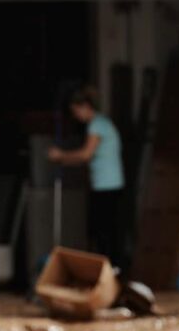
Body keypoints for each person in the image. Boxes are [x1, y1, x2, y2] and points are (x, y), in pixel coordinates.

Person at [48, 87, 125, 266]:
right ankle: (109, 269)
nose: (76, 116)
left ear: (85, 106)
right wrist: (64, 161)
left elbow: (85, 155)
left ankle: (111, 270)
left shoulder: (97, 124)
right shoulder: (101, 123)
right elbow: (84, 158)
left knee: (103, 232)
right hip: (106, 185)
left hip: (107, 186)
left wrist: (61, 155)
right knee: (103, 231)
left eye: (76, 111)